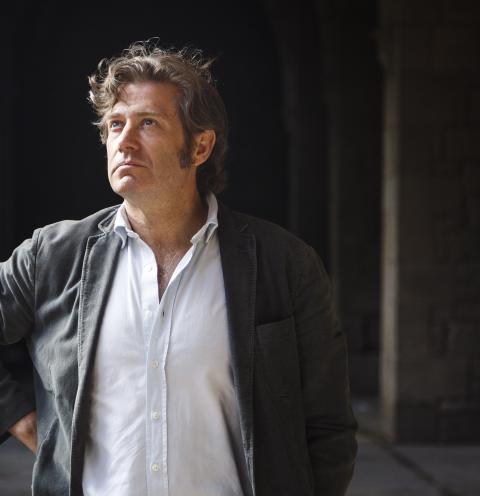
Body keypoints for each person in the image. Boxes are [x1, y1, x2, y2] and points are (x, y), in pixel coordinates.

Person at [0, 40, 357, 496]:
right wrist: (18, 416)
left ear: (200, 146)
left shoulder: (285, 264)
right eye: (115, 124)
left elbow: (328, 428)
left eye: (148, 123)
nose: (125, 141)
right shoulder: (53, 256)